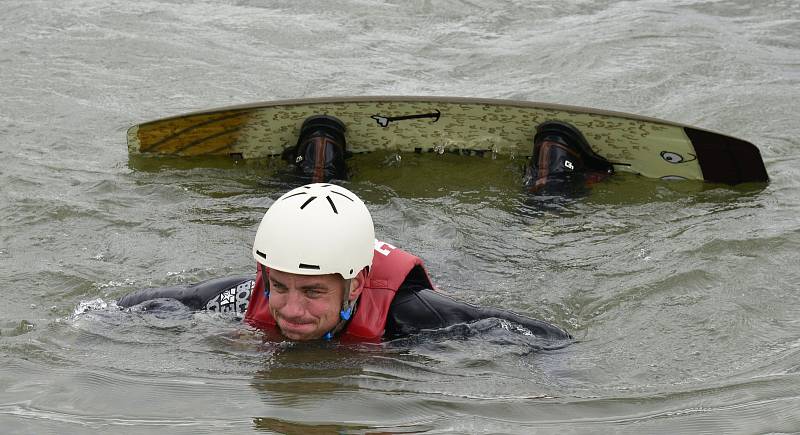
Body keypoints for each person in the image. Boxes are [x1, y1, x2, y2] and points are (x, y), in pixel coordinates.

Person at [118, 183, 572, 343]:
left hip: (468, 266)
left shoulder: (414, 316)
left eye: (314, 292)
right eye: (281, 287)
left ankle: (550, 187)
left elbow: (546, 337)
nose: (291, 311)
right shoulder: (247, 292)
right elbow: (149, 303)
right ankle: (315, 158)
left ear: (354, 287)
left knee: (508, 243)